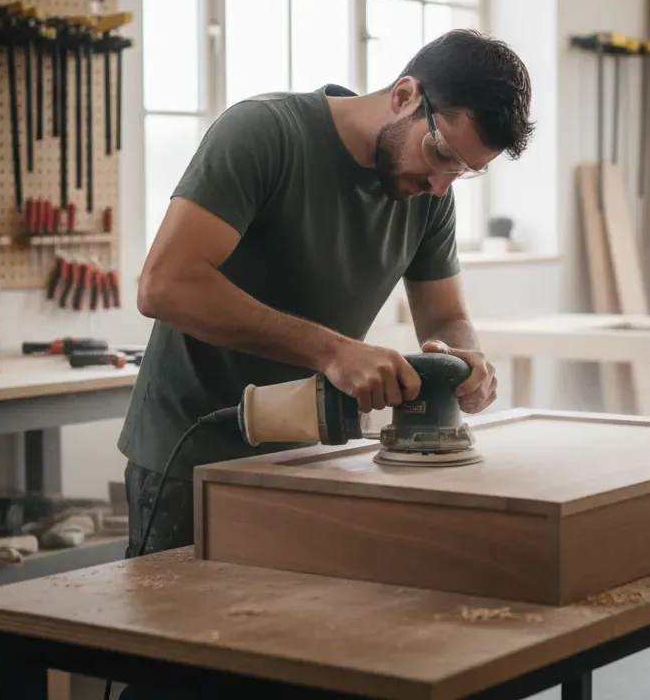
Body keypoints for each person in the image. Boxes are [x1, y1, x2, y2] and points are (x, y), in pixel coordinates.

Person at [115, 28, 535, 561]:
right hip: (192, 453)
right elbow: (164, 285)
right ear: (404, 95)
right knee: (171, 634)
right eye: (440, 153)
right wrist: (334, 351)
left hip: (312, 458)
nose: (439, 183)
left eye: (463, 171)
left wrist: (463, 360)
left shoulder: (429, 193)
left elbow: (446, 316)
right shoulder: (265, 134)